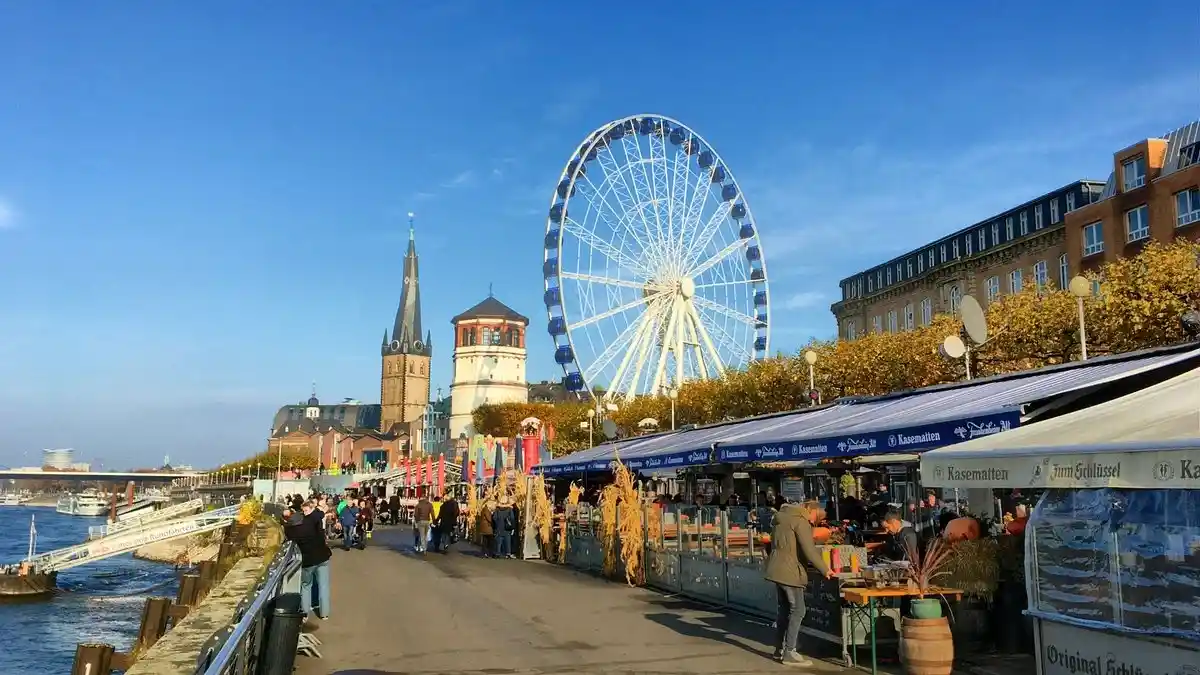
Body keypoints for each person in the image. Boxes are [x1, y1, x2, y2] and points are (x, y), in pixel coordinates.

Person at [764, 499, 831, 667]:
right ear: (811, 511)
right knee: (798, 609)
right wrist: (825, 569)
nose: (813, 521)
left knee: (785, 609)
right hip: (790, 570)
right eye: (815, 517)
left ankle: (779, 649)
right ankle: (790, 652)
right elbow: (809, 549)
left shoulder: (781, 518)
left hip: (776, 567)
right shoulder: (799, 521)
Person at [284, 501, 332, 620]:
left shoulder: (292, 531)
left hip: (307, 561)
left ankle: (304, 614)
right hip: (322, 557)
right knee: (323, 586)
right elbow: (318, 514)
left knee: (306, 586)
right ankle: (324, 613)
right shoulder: (313, 521)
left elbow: (286, 532)